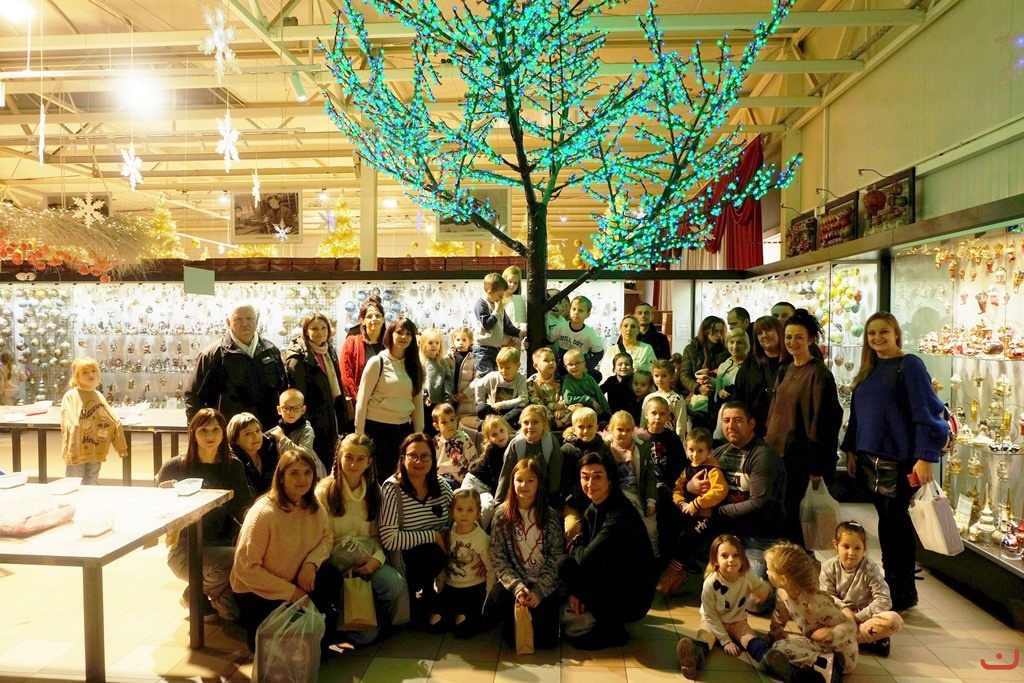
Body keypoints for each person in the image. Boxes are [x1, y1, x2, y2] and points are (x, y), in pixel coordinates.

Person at [841, 312, 948, 612]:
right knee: (887, 525)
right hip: (868, 460)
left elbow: (927, 412)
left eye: (883, 332)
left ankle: (902, 591)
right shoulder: (869, 369)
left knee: (896, 526)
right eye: (872, 333)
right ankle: (891, 588)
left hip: (898, 463)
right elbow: (857, 416)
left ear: (896, 334)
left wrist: (925, 457)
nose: (877, 338)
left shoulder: (909, 365)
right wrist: (850, 450)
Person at [230, 450, 344, 652]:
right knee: (270, 644)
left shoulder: (313, 505)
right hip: (260, 589)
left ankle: (320, 637)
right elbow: (246, 569)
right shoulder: (263, 513)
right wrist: (292, 593)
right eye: (294, 473)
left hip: (296, 577)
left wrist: (311, 563)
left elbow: (326, 538)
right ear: (281, 477)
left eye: (307, 472)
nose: (302, 479)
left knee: (331, 577)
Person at [158, 408, 254, 622]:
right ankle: (195, 593)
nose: (210, 436)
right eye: (203, 430)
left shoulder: (233, 466)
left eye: (215, 430)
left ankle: (199, 594)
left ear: (223, 433)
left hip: (224, 546)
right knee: (240, 560)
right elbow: (157, 512)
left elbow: (243, 506)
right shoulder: (175, 467)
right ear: (193, 433)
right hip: (185, 550)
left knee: (235, 614)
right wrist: (165, 495)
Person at [315, 433, 409, 646]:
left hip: (366, 563)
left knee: (394, 583)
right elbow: (319, 537)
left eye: (360, 459)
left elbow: (377, 535)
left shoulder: (374, 492)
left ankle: (371, 611)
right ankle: (342, 615)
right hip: (336, 567)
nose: (353, 464)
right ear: (339, 458)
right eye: (348, 457)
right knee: (365, 636)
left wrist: (376, 559)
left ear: (369, 462)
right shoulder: (323, 491)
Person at [559, 452, 656, 650]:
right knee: (569, 568)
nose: (590, 483)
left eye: (597, 477)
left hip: (633, 597)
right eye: (585, 477)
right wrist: (576, 591)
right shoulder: (594, 508)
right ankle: (602, 618)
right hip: (612, 579)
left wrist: (577, 542)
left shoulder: (619, 513)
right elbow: (589, 558)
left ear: (610, 479)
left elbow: (585, 558)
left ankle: (613, 630)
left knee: (565, 564)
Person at [765, 309, 843, 547]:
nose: (792, 342)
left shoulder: (819, 374)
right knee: (782, 513)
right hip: (777, 453)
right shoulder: (785, 369)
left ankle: (800, 563)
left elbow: (825, 421)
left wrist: (817, 464)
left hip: (801, 458)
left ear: (810, 339)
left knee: (797, 518)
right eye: (788, 337)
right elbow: (774, 410)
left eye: (799, 337)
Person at [687, 401, 787, 580]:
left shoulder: (763, 456)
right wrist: (690, 486)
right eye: (726, 421)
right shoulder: (719, 453)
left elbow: (760, 503)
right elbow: (692, 481)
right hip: (725, 532)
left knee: (754, 593)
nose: (731, 426)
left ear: (751, 424)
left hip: (758, 538)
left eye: (738, 420)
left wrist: (715, 511)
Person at [486, 459, 564, 649]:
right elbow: (498, 557)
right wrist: (517, 587)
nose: (524, 485)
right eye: (519, 480)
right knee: (512, 640)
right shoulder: (501, 515)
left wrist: (540, 591)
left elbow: (556, 558)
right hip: (516, 582)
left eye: (530, 480)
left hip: (543, 583)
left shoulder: (550, 516)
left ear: (539, 483)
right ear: (512, 482)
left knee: (547, 642)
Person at [379, 433, 453, 629]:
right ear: (403, 458)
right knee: (430, 552)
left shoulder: (440, 485)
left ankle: (435, 600)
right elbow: (389, 539)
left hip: (438, 557)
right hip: (407, 560)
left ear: (433, 458)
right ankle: (421, 603)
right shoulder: (392, 489)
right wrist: (432, 536)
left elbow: (459, 512)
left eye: (425, 456)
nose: (419, 461)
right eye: (412, 455)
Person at [674, 534, 772, 679]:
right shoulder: (710, 583)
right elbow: (710, 615)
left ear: (742, 557)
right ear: (715, 560)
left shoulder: (746, 574)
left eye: (735, 555)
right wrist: (725, 641)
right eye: (724, 556)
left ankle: (769, 659)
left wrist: (764, 590)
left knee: (750, 639)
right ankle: (693, 658)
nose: (731, 560)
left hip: (737, 620)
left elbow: (759, 586)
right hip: (713, 621)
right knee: (705, 638)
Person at [763, 542, 857, 683]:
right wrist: (772, 635)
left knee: (782, 650)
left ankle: (832, 671)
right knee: (779, 646)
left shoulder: (816, 602)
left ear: (783, 579)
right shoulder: (783, 592)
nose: (766, 572)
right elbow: (780, 615)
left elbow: (850, 626)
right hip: (818, 646)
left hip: (842, 655)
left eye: (769, 570)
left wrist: (832, 633)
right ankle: (815, 671)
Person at [185, 302, 286, 431]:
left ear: (257, 321)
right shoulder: (213, 355)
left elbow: (283, 391)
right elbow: (193, 397)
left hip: (267, 432)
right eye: (238, 319)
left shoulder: (271, 351)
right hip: (229, 434)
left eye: (249, 318)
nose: (244, 323)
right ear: (228, 322)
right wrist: (199, 431)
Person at [658, 427, 728, 594]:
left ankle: (674, 572)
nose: (695, 454)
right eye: (691, 450)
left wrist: (697, 504)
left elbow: (720, 490)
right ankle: (678, 569)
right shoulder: (689, 468)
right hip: (690, 512)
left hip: (707, 516)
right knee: (671, 528)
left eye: (700, 451)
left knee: (687, 538)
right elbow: (678, 488)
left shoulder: (713, 469)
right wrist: (681, 503)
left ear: (709, 451)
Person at [354, 316, 425, 481]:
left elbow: (417, 403)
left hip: (403, 431)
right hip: (376, 430)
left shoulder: (415, 366)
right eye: (399, 332)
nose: (404, 337)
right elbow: (362, 400)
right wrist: (359, 436)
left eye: (409, 333)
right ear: (390, 334)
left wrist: (419, 434)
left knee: (399, 479)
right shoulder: (377, 362)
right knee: (375, 480)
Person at [819, 521, 903, 657]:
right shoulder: (828, 567)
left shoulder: (870, 569)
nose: (851, 553)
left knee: (894, 620)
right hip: (838, 617)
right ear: (836, 544)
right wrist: (844, 610)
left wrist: (857, 618)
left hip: (863, 619)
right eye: (846, 546)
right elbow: (826, 596)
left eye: (857, 548)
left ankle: (841, 640)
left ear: (864, 548)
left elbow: (884, 600)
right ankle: (864, 641)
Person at [284, 312, 348, 471]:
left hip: (331, 415)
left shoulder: (328, 350)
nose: (320, 332)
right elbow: (299, 397)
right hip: (314, 422)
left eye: (323, 328)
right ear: (306, 331)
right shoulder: (298, 359)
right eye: (314, 328)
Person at [60, 357, 128, 485]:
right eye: (85, 372)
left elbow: (114, 420)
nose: (90, 375)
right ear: (76, 376)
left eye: (93, 371)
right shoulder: (71, 396)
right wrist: (73, 446)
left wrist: (121, 447)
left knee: (91, 481)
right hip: (77, 451)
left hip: (96, 448)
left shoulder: (98, 395)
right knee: (73, 482)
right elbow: (69, 420)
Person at [441, 489, 495, 637]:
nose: (464, 514)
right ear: (452, 512)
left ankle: (468, 616)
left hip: (473, 589)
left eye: (470, 510)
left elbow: (491, 569)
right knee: (436, 624)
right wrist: (441, 587)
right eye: (459, 509)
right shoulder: (447, 533)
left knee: (463, 631)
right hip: (451, 587)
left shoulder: (482, 539)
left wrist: (487, 596)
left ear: (478, 514)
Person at [605, 411, 658, 554]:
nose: (624, 434)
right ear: (611, 429)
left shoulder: (641, 448)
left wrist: (651, 500)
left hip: (637, 493)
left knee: (650, 528)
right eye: (620, 429)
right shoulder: (605, 448)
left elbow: (650, 477)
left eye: (628, 430)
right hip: (615, 495)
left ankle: (652, 556)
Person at [495, 404, 561, 503]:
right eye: (526, 423)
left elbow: (555, 477)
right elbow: (505, 476)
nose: (530, 426)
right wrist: (498, 502)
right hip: (520, 495)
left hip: (543, 496)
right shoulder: (516, 444)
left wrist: (552, 502)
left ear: (544, 424)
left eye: (535, 422)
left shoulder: (551, 443)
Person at [733, 315, 785, 436]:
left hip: (785, 429)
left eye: (769, 330)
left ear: (779, 332)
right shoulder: (750, 362)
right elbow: (738, 394)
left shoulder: (792, 362)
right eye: (759, 333)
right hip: (754, 428)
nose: (764, 335)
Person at [464, 414, 513, 530]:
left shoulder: (512, 444)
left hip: (487, 488)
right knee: (466, 505)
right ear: (489, 438)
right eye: (494, 434)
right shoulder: (492, 450)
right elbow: (497, 476)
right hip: (474, 482)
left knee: (487, 507)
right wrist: (501, 498)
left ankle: (481, 531)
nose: (500, 436)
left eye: (501, 430)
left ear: (507, 428)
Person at [679, 316, 728, 431]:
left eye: (721, 331)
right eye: (715, 331)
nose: (719, 335)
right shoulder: (692, 349)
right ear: (706, 331)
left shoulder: (725, 350)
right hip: (697, 398)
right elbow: (684, 375)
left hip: (718, 397)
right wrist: (698, 388)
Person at [473, 273, 524, 376]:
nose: (501, 298)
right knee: (486, 377)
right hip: (483, 349)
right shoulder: (482, 304)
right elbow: (487, 324)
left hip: (496, 348)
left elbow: (507, 326)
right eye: (500, 295)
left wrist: (520, 333)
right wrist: (496, 311)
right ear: (490, 292)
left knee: (497, 377)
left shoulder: (500, 307)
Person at [341, 297, 387, 403]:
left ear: (383, 319)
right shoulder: (352, 342)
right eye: (369, 316)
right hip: (360, 401)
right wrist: (359, 400)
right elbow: (346, 376)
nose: (374, 319)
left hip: (384, 403)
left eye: (377, 316)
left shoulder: (389, 344)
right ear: (362, 321)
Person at [548, 295, 604, 380]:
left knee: (597, 376)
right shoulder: (561, 327)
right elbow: (549, 340)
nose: (576, 313)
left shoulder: (589, 334)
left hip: (581, 361)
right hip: (564, 361)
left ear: (588, 314)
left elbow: (599, 352)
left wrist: (587, 367)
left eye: (581, 310)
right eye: (573, 309)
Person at [266, 388, 320, 476]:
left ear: (303, 410)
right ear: (279, 410)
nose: (291, 412)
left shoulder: (307, 430)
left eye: (296, 408)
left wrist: (282, 438)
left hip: (305, 473)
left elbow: (304, 455)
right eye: (286, 408)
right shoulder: (279, 429)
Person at [473, 346, 528, 427]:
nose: (503, 371)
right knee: (481, 408)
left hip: (509, 411)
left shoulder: (520, 379)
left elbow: (523, 399)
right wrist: (481, 401)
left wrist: (503, 404)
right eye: (501, 367)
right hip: (493, 410)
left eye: (507, 368)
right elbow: (478, 385)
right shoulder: (493, 376)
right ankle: (497, 422)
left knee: (521, 410)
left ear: (517, 366)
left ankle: (498, 422)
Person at [227, 412, 279, 495]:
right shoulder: (234, 462)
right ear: (235, 439)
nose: (256, 436)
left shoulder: (269, 448)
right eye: (248, 433)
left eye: (258, 430)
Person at [712, 328, 750, 441]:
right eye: (731, 342)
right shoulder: (723, 366)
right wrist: (721, 393)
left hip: (747, 408)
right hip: (727, 408)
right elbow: (718, 392)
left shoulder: (752, 364)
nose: (735, 346)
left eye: (739, 342)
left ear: (746, 345)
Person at [432, 403, 478, 488]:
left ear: (456, 420)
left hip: (457, 481)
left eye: (452, 420)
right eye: (444, 422)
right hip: (439, 478)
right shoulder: (435, 441)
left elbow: (473, 462)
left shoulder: (463, 439)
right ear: (436, 426)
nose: (450, 424)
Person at [639, 359, 687, 438]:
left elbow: (680, 427)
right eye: (656, 376)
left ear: (672, 377)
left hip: (669, 439)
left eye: (664, 376)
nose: (659, 379)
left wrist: (678, 442)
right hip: (651, 438)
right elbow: (643, 422)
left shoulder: (677, 399)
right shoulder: (648, 398)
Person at [420, 327, 453, 435]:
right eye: (430, 343)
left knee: (439, 432)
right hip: (425, 404)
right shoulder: (421, 362)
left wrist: (447, 399)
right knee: (425, 431)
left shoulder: (442, 362)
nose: (434, 345)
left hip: (440, 404)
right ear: (423, 344)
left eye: (437, 343)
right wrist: (424, 397)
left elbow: (448, 381)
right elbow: (419, 381)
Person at [527, 346, 567, 430]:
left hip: (559, 411)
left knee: (576, 408)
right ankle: (555, 424)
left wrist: (561, 408)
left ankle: (559, 423)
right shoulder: (531, 382)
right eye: (546, 360)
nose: (551, 362)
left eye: (553, 360)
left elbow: (564, 395)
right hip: (545, 411)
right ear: (536, 366)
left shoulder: (559, 379)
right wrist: (552, 406)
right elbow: (534, 400)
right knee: (536, 412)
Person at [562, 349, 610, 418]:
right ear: (565, 367)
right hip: (578, 414)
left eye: (578, 363)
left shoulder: (589, 379)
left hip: (596, 412)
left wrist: (608, 411)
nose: (574, 366)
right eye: (570, 364)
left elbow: (600, 396)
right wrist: (588, 399)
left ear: (584, 364)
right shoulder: (568, 381)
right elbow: (568, 399)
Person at [447, 326, 478, 424]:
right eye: (458, 340)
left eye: (464, 340)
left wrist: (465, 394)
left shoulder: (474, 358)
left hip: (467, 400)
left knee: (464, 425)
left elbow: (477, 378)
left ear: (470, 341)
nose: (461, 342)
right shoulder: (448, 357)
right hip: (451, 398)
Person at [601, 352, 635, 418]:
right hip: (613, 416)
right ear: (614, 369)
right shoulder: (611, 381)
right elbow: (599, 392)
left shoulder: (634, 381)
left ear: (632, 369)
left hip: (630, 416)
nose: (623, 366)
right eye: (620, 364)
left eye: (627, 364)